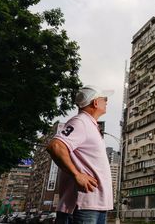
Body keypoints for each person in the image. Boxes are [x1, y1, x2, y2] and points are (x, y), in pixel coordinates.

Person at [47, 85, 114, 224]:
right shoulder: (81, 122)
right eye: (104, 99)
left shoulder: (91, 125)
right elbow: (56, 146)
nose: (107, 101)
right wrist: (77, 175)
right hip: (82, 206)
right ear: (95, 102)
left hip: (96, 205)